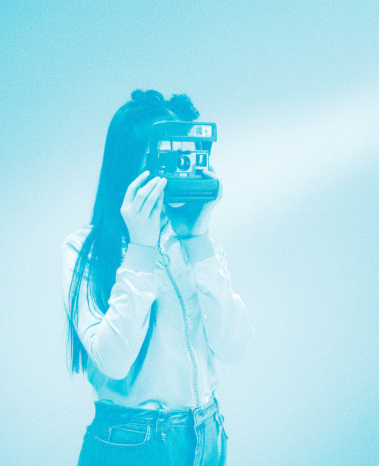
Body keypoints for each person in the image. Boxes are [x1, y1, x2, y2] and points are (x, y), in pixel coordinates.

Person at [62, 90, 253, 465]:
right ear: (133, 164)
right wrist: (141, 249)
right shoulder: (84, 249)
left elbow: (235, 346)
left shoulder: (193, 241)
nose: (181, 169)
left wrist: (198, 239)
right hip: (133, 443)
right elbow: (113, 362)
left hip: (207, 433)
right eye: (169, 158)